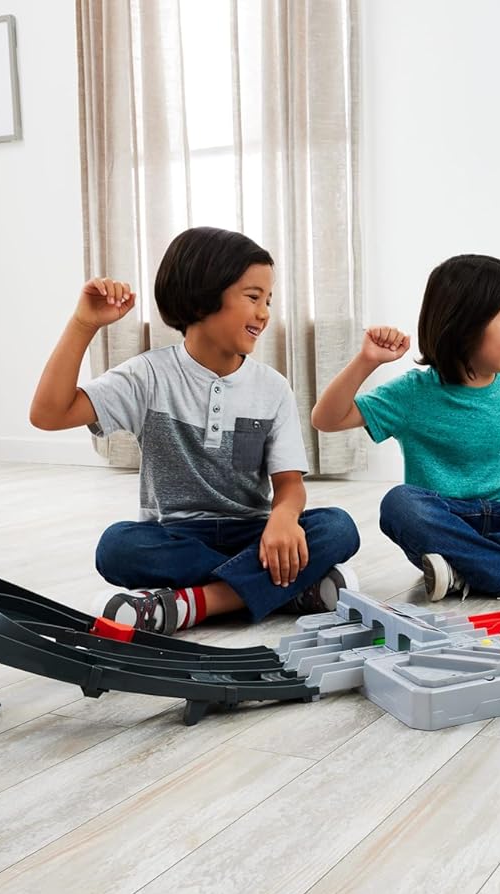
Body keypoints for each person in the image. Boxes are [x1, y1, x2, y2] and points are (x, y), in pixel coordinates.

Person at [30, 226, 359, 633]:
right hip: (175, 537)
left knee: (338, 527)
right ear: (204, 294)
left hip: (252, 534)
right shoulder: (148, 376)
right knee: (117, 547)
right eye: (253, 297)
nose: (265, 313)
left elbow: (289, 484)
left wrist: (284, 519)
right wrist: (84, 323)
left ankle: (195, 603)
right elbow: (48, 413)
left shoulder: (272, 387)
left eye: (268, 301)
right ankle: (284, 589)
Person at [310, 253, 500, 601]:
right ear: (465, 325)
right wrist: (367, 361)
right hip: (445, 521)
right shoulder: (413, 392)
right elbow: (326, 419)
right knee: (399, 505)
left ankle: (468, 569)